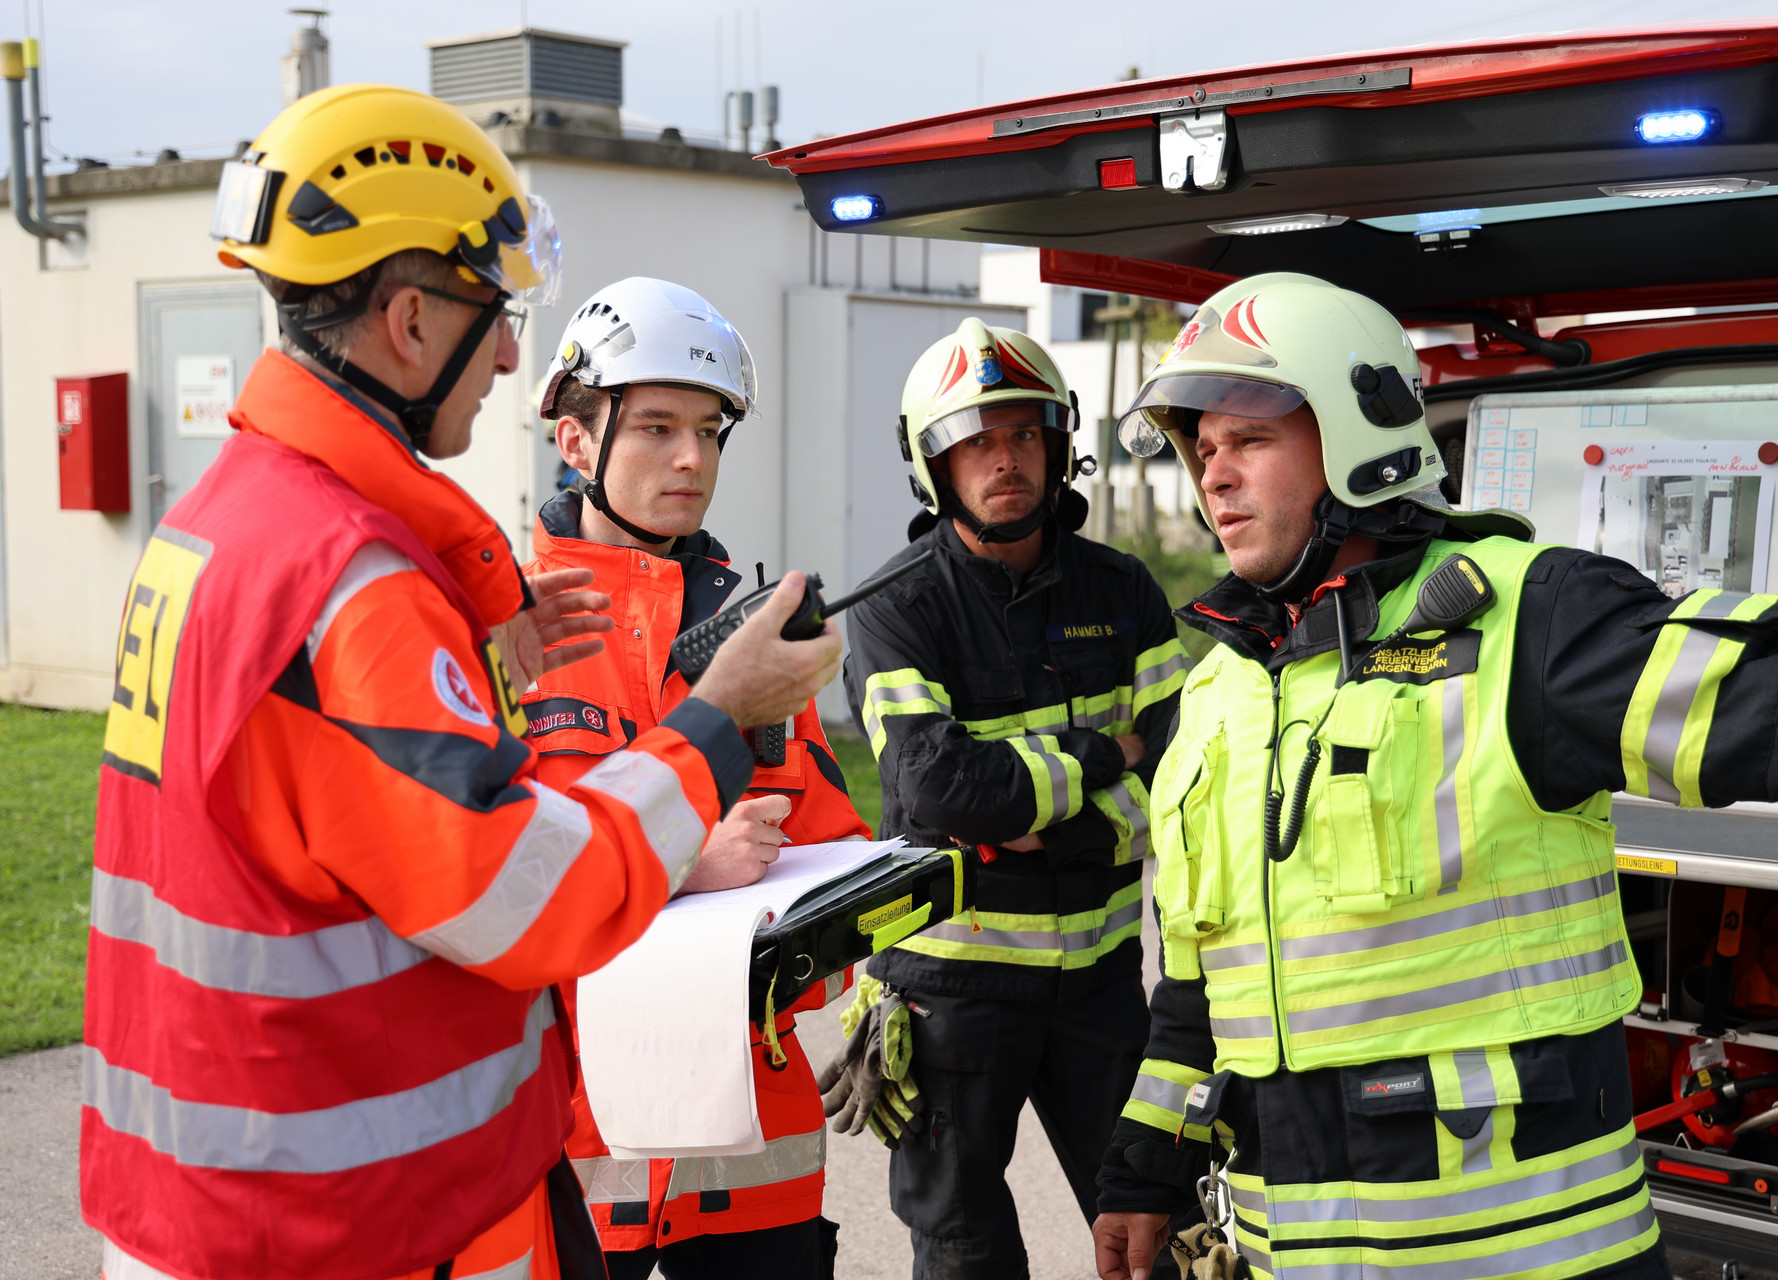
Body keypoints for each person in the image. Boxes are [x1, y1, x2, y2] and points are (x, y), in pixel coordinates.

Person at [83, 86, 840, 1280]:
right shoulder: (352, 581)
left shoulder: (222, 520)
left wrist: (468, 636)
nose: (504, 355)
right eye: (492, 314)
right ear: (408, 319)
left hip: (228, 1187)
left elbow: (310, 824)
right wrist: (714, 723)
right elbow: (527, 901)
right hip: (354, 1220)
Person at [1089, 271, 1778, 1280]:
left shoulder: (1529, 622)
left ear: (1361, 430)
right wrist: (1142, 1169)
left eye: (1251, 439)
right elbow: (1200, 977)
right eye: (1202, 448)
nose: (1215, 476)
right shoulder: (1220, 689)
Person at [522, 277, 870, 1279]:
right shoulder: (509, 630)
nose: (692, 458)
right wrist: (682, 865)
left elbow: (826, 853)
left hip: (751, 1164)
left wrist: (852, 946)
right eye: (660, 426)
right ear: (577, 441)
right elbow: (492, 888)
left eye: (711, 430)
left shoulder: (753, 641)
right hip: (580, 1156)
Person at [840, 319, 1191, 1278]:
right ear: (934, 462)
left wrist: (1034, 819)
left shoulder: (1126, 592)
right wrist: (1097, 760)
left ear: (1058, 442)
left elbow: (1187, 777)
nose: (1006, 460)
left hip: (1104, 989)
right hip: (950, 994)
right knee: (964, 1250)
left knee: (1162, 1231)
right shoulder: (893, 607)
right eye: (977, 441)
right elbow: (938, 786)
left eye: (1024, 434)